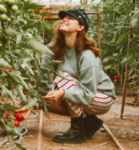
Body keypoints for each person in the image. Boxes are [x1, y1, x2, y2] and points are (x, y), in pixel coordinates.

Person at [15, 8, 116, 144]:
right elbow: (42, 81)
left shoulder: (87, 55)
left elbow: (87, 93)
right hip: (81, 94)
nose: (64, 20)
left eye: (71, 18)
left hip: (100, 97)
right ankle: (89, 122)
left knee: (62, 78)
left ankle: (76, 132)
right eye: (64, 18)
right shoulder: (53, 50)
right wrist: (32, 105)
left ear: (80, 27)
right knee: (48, 99)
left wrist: (62, 92)